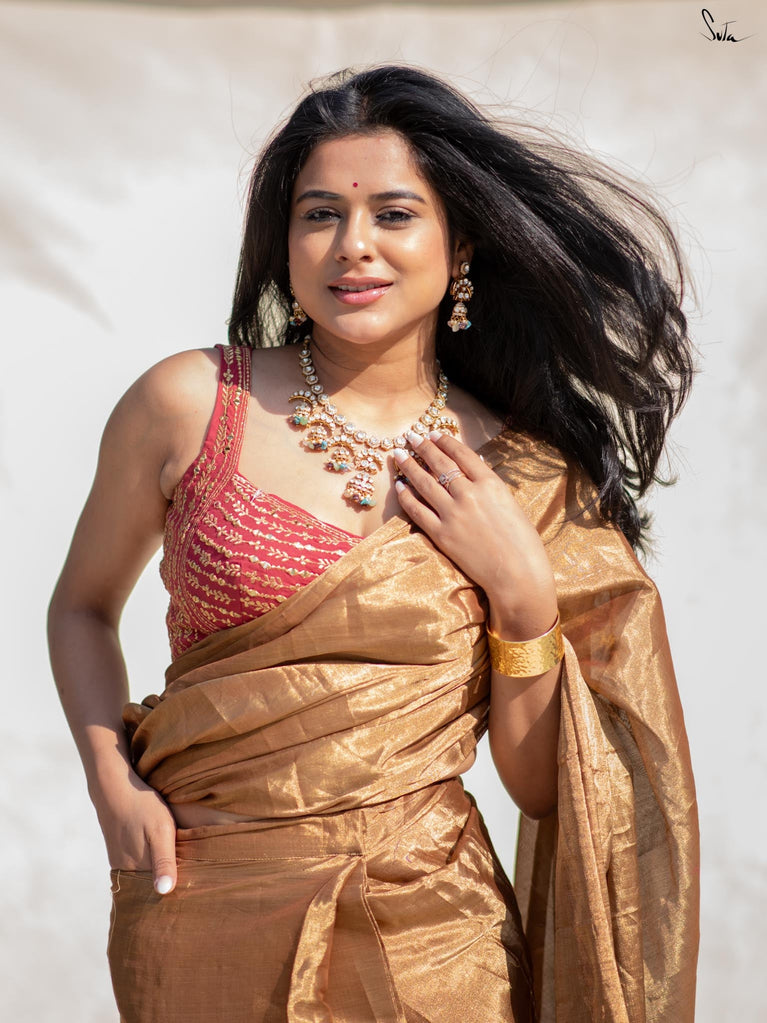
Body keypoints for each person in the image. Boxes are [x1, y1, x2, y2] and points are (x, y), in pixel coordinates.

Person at [47, 65, 699, 1022]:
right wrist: (110, 781)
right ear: (284, 243)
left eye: (393, 214)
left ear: (459, 242)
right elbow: (81, 607)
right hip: (200, 902)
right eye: (320, 215)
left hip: (432, 934)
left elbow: (538, 787)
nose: (353, 245)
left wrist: (522, 598)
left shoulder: (522, 474)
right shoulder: (189, 403)